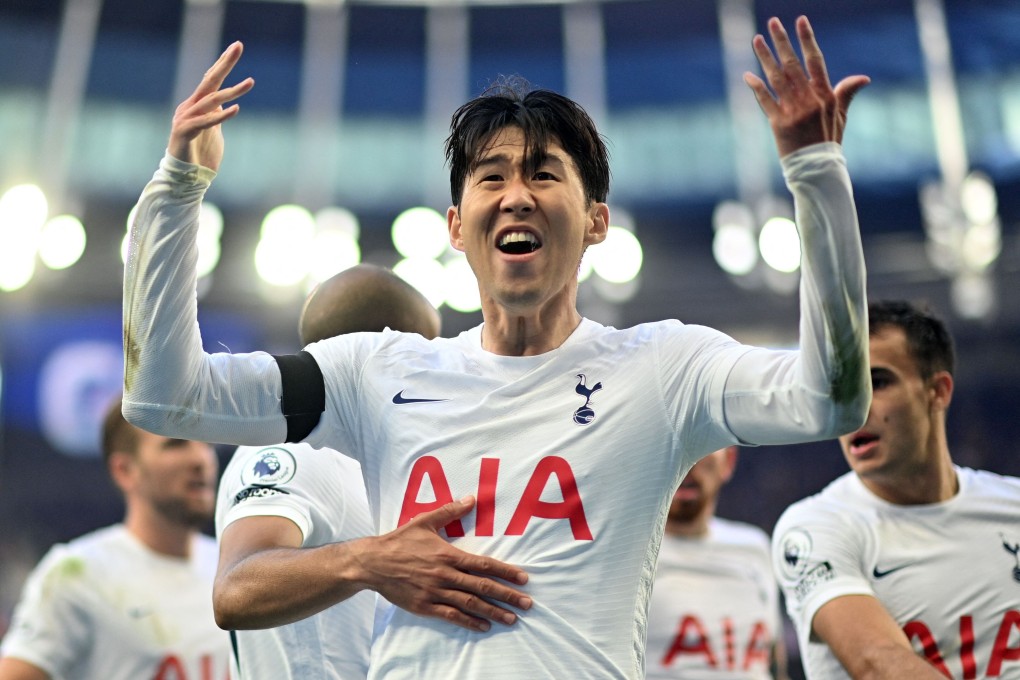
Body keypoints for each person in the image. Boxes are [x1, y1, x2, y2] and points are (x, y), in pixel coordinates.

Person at [122, 15, 872, 679]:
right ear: (456, 225)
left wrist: (815, 174)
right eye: (492, 177)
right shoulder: (376, 372)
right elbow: (166, 397)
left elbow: (830, 397)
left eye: (545, 173)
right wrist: (178, 185)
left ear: (596, 221)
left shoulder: (664, 368)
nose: (517, 193)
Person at [215, 263, 480, 679]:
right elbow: (235, 590)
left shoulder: (373, 458)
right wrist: (368, 560)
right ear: (380, 357)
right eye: (425, 354)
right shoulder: (297, 451)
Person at [771, 300, 1020, 679]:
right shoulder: (814, 528)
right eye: (842, 391)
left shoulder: (1012, 506)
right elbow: (878, 663)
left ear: (938, 391)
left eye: (878, 382)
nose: (854, 409)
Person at [0, 398, 230, 680]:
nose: (201, 460)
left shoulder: (232, 569)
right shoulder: (77, 575)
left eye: (207, 444)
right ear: (124, 470)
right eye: (175, 444)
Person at [645, 446, 788, 680]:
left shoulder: (755, 548)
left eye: (701, 450)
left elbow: (773, 666)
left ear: (728, 461)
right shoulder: (620, 558)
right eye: (672, 451)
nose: (687, 465)